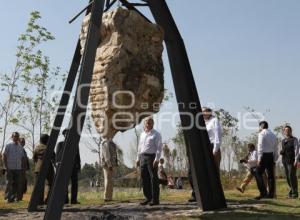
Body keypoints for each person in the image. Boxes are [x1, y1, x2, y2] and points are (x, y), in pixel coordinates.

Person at [188, 107, 222, 202]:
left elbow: (217, 136)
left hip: (212, 147)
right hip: (202, 148)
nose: (202, 113)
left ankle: (216, 195)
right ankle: (197, 195)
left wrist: (215, 149)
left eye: (204, 111)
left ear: (209, 112)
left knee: (214, 172)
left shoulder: (214, 120)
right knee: (197, 172)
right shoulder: (200, 122)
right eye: (201, 112)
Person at [136, 117, 162, 206]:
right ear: (144, 124)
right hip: (142, 157)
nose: (148, 123)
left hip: (152, 157)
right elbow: (139, 147)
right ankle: (148, 197)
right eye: (146, 122)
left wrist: (157, 159)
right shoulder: (142, 134)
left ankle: (155, 200)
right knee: (144, 178)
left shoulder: (156, 134)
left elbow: (159, 148)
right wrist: (137, 158)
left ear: (153, 123)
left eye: (149, 122)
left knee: (153, 178)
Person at [56, 129, 81, 204]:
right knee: (64, 184)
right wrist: (57, 166)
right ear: (64, 135)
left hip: (73, 166)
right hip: (63, 166)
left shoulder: (75, 144)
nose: (68, 135)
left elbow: (78, 156)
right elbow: (57, 156)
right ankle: (65, 200)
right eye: (66, 134)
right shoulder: (60, 144)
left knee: (75, 183)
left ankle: (74, 200)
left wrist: (78, 166)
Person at [254, 121, 278, 200]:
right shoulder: (273, 135)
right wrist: (275, 159)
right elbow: (275, 148)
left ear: (262, 126)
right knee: (271, 175)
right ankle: (271, 194)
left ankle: (263, 192)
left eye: (259, 126)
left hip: (263, 156)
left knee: (257, 172)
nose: (259, 128)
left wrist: (259, 158)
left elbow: (260, 146)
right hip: (271, 155)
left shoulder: (261, 134)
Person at [2, 132, 25, 203]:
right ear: (12, 137)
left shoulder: (20, 147)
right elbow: (4, 156)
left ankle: (14, 198)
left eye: (17, 136)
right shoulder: (8, 146)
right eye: (15, 136)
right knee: (9, 183)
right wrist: (5, 166)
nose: (16, 138)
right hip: (9, 167)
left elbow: (22, 158)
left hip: (18, 168)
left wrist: (22, 167)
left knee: (17, 183)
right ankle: (7, 198)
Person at [33, 134, 55, 205]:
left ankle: (39, 201)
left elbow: (34, 158)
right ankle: (48, 200)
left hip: (38, 168)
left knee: (39, 185)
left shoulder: (37, 148)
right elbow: (54, 157)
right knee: (51, 184)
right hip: (49, 167)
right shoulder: (49, 148)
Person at [280, 125, 299, 198]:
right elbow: (281, 149)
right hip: (284, 160)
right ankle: (292, 191)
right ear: (284, 132)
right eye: (285, 130)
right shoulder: (283, 140)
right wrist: (281, 152)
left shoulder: (294, 139)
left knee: (292, 176)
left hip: (292, 160)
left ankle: (295, 193)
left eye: (288, 130)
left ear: (291, 131)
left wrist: (296, 160)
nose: (287, 131)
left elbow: (296, 150)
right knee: (288, 177)